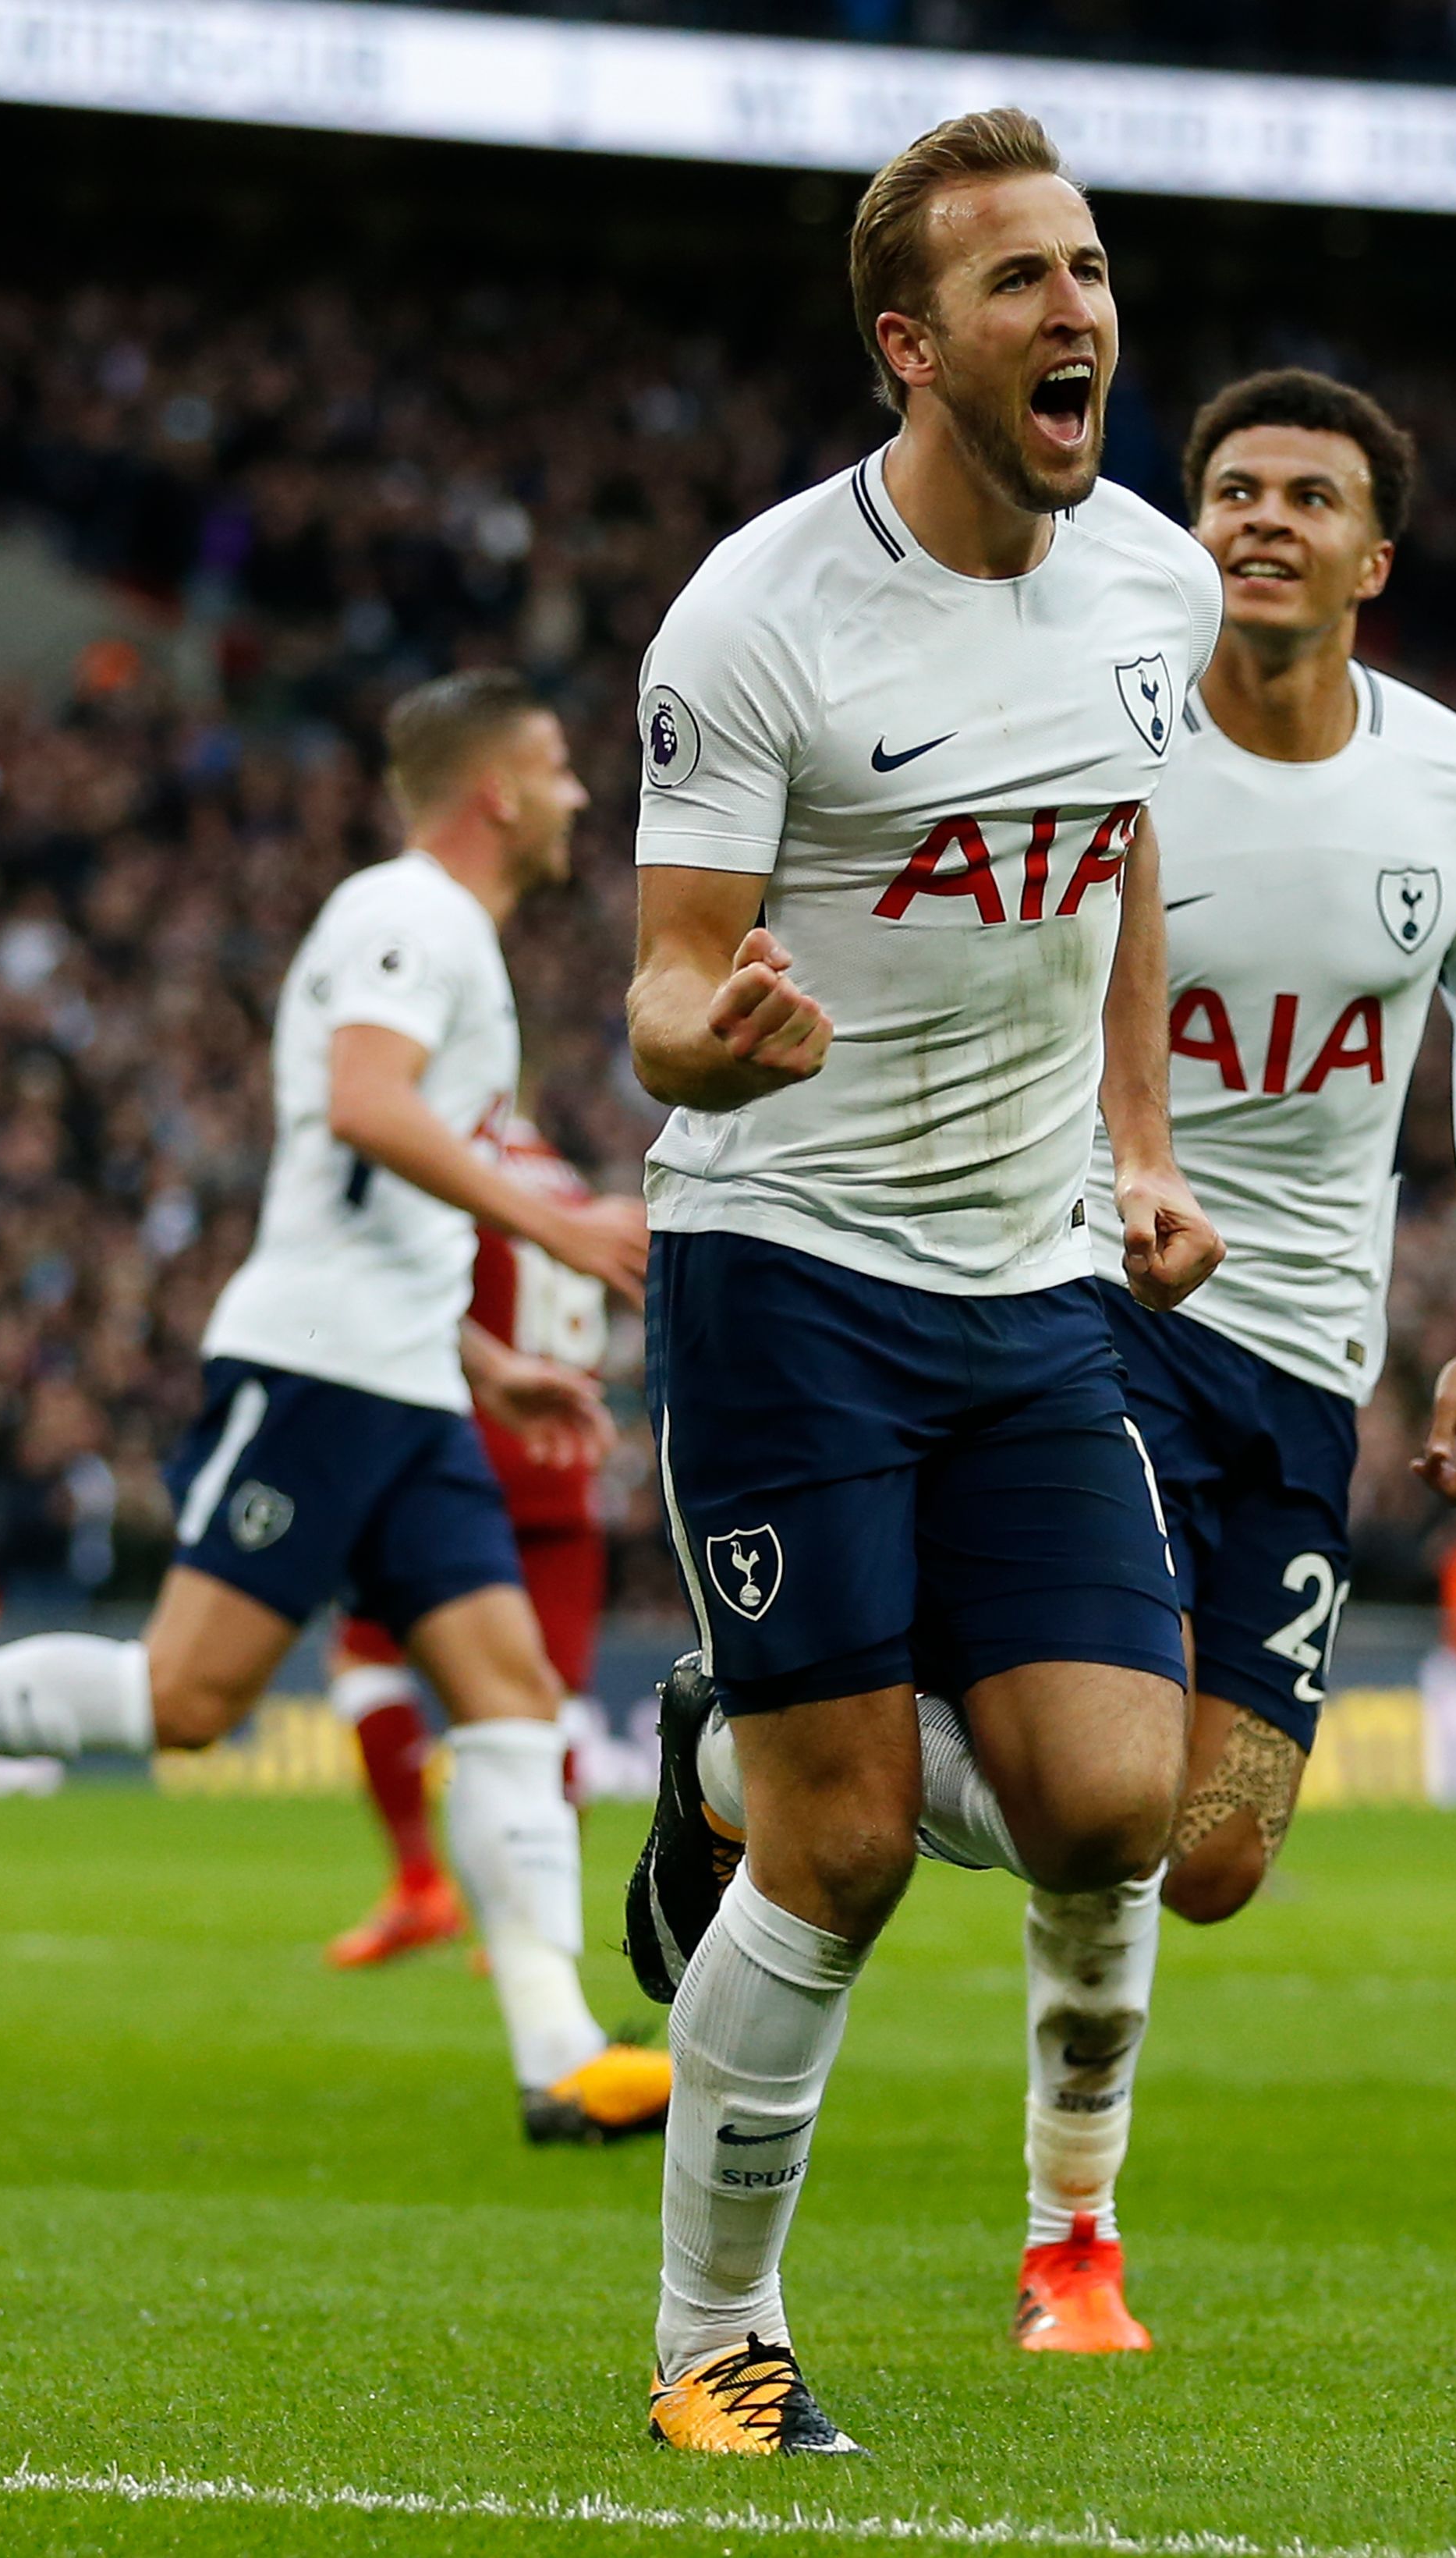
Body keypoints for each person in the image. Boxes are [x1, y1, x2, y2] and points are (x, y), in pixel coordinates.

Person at [651, 365, 1456, 2358]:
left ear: (1374, 555)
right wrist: (1110, 1170)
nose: (1260, 522)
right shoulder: (1087, 684)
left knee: (1201, 1843)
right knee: (934, 1809)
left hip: (1304, 1346)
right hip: (1081, 1305)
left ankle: (753, 1737)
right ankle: (1070, 2237)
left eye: (1311, 495)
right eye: (1233, 486)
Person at [0, 671, 666, 2149]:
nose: (582, 797)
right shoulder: (407, 913)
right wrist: (553, 1232)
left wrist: (484, 1359)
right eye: (559, 769)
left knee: (516, 1704)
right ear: (497, 794)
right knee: (186, 1701)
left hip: (406, 1382)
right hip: (318, 1375)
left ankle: (558, 2055)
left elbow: (371, 1201)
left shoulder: (449, 933)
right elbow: (362, 1106)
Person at [617, 108, 1222, 2455]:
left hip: (1029, 1270)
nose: (1072, 308)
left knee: (1109, 1806)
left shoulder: (1151, 589)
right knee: (847, 1843)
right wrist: (725, 1036)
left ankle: (719, 1731)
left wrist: (1139, 1144)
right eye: (1015, 283)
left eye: (1085, 269)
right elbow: (663, 990)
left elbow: (1120, 846)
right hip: (784, 1259)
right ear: (908, 342)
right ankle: (711, 2342)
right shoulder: (755, 617)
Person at [322, 1111, 617, 1972]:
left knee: (365, 1654)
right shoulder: (556, 1171)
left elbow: (399, 1281)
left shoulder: (448, 1154)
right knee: (548, 1698)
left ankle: (420, 1884)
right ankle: (535, 1914)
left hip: (458, 1447)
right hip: (564, 1460)